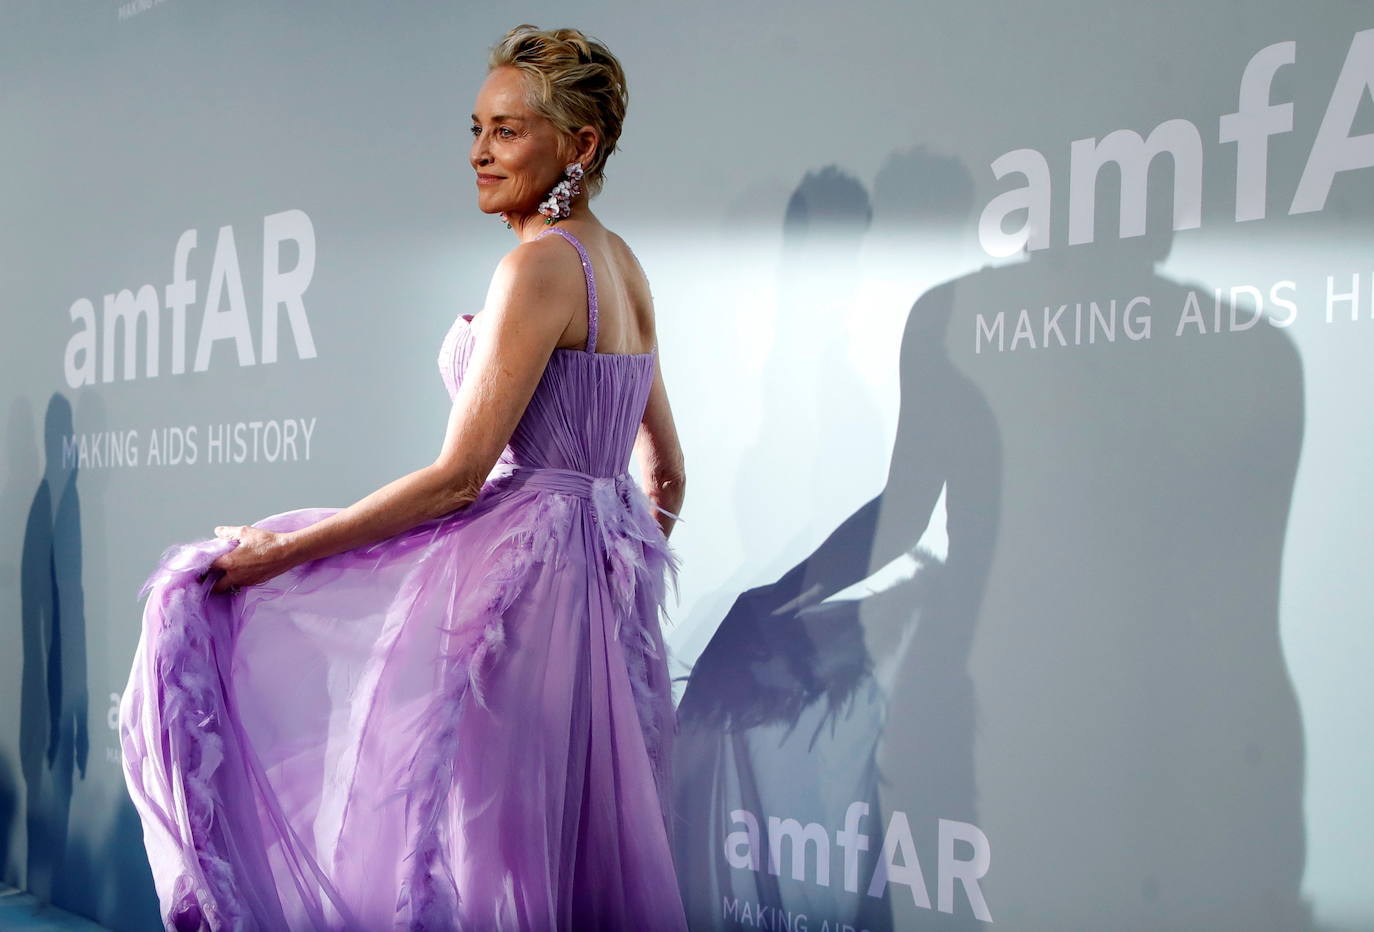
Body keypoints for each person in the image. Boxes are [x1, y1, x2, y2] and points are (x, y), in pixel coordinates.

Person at [118, 24, 689, 930]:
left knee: (497, 859)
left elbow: (459, 478)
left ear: (579, 145)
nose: (478, 153)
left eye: (507, 131)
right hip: (588, 606)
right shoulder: (624, 265)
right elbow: (667, 474)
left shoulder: (539, 265)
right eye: (476, 127)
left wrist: (285, 555)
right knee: (566, 854)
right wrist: (609, 577)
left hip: (520, 600)